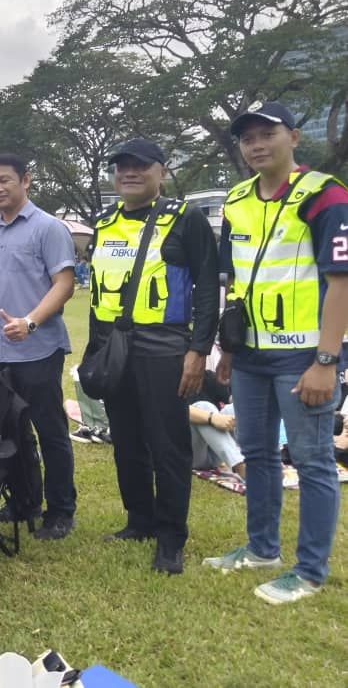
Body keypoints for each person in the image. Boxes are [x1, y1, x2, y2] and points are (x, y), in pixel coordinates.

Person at [204, 101, 348, 604]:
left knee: (312, 461)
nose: (257, 144)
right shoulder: (237, 200)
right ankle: (262, 549)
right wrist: (228, 349)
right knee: (258, 452)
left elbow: (341, 283)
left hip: (304, 356)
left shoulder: (325, 196)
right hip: (250, 354)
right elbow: (236, 281)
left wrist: (326, 362)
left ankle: (309, 572)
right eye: (247, 138)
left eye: (268, 133)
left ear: (294, 137)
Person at [88, 138, 219, 575]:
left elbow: (207, 287)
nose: (130, 172)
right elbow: (98, 294)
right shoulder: (104, 222)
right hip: (114, 344)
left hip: (164, 345)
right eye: (122, 166)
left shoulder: (185, 218)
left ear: (161, 171)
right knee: (125, 440)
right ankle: (139, 520)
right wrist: (94, 349)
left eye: (141, 165)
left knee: (168, 444)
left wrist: (198, 350)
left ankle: (171, 537)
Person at [0, 152, 77, 540]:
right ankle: (24, 500)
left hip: (37, 349)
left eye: (4, 181)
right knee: (8, 432)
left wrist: (30, 322)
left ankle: (60, 509)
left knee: (50, 430)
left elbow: (64, 283)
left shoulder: (48, 228)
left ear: (25, 180)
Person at [188, 370, 244, 478]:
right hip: (190, 453)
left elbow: (233, 399)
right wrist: (212, 418)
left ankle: (261, 458)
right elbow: (176, 410)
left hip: (216, 454)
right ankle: (240, 465)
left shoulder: (207, 377)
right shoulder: (167, 378)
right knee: (204, 407)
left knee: (235, 408)